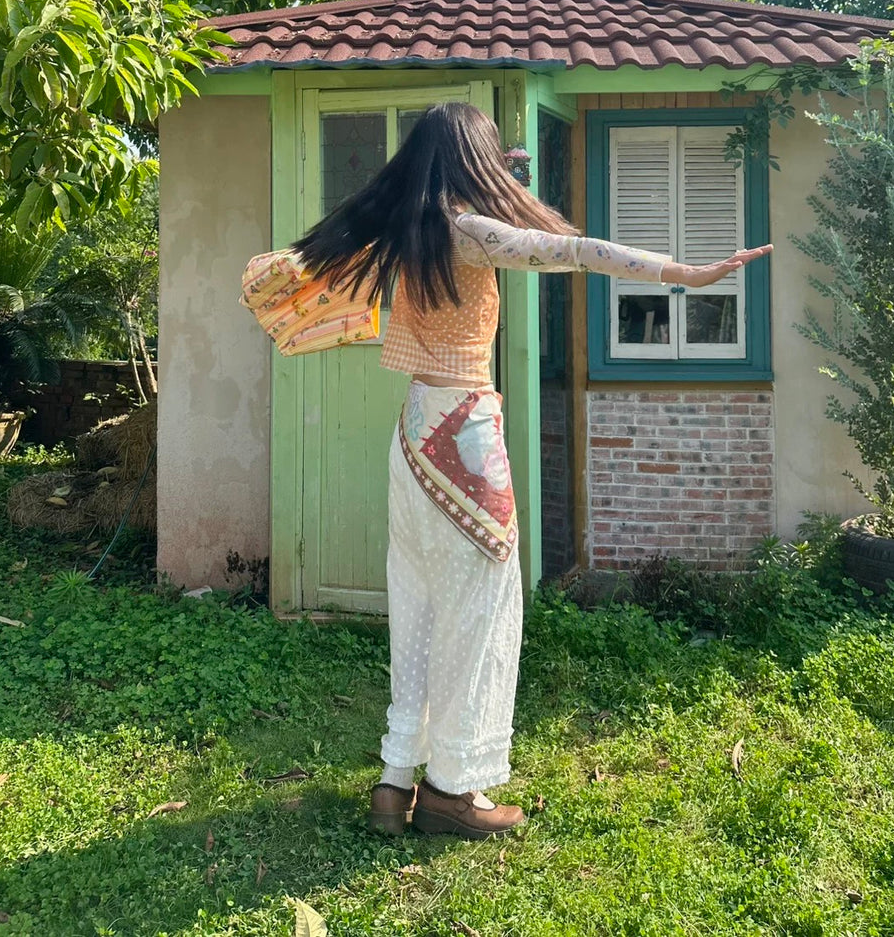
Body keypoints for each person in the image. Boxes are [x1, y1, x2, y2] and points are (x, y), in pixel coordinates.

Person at [293, 102, 772, 841]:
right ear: (471, 162)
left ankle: (395, 781)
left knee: (417, 607)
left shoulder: (405, 226)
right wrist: (683, 273)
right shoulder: (471, 233)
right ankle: (453, 790)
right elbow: (571, 250)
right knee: (478, 614)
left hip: (413, 435)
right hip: (464, 437)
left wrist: (501, 175)